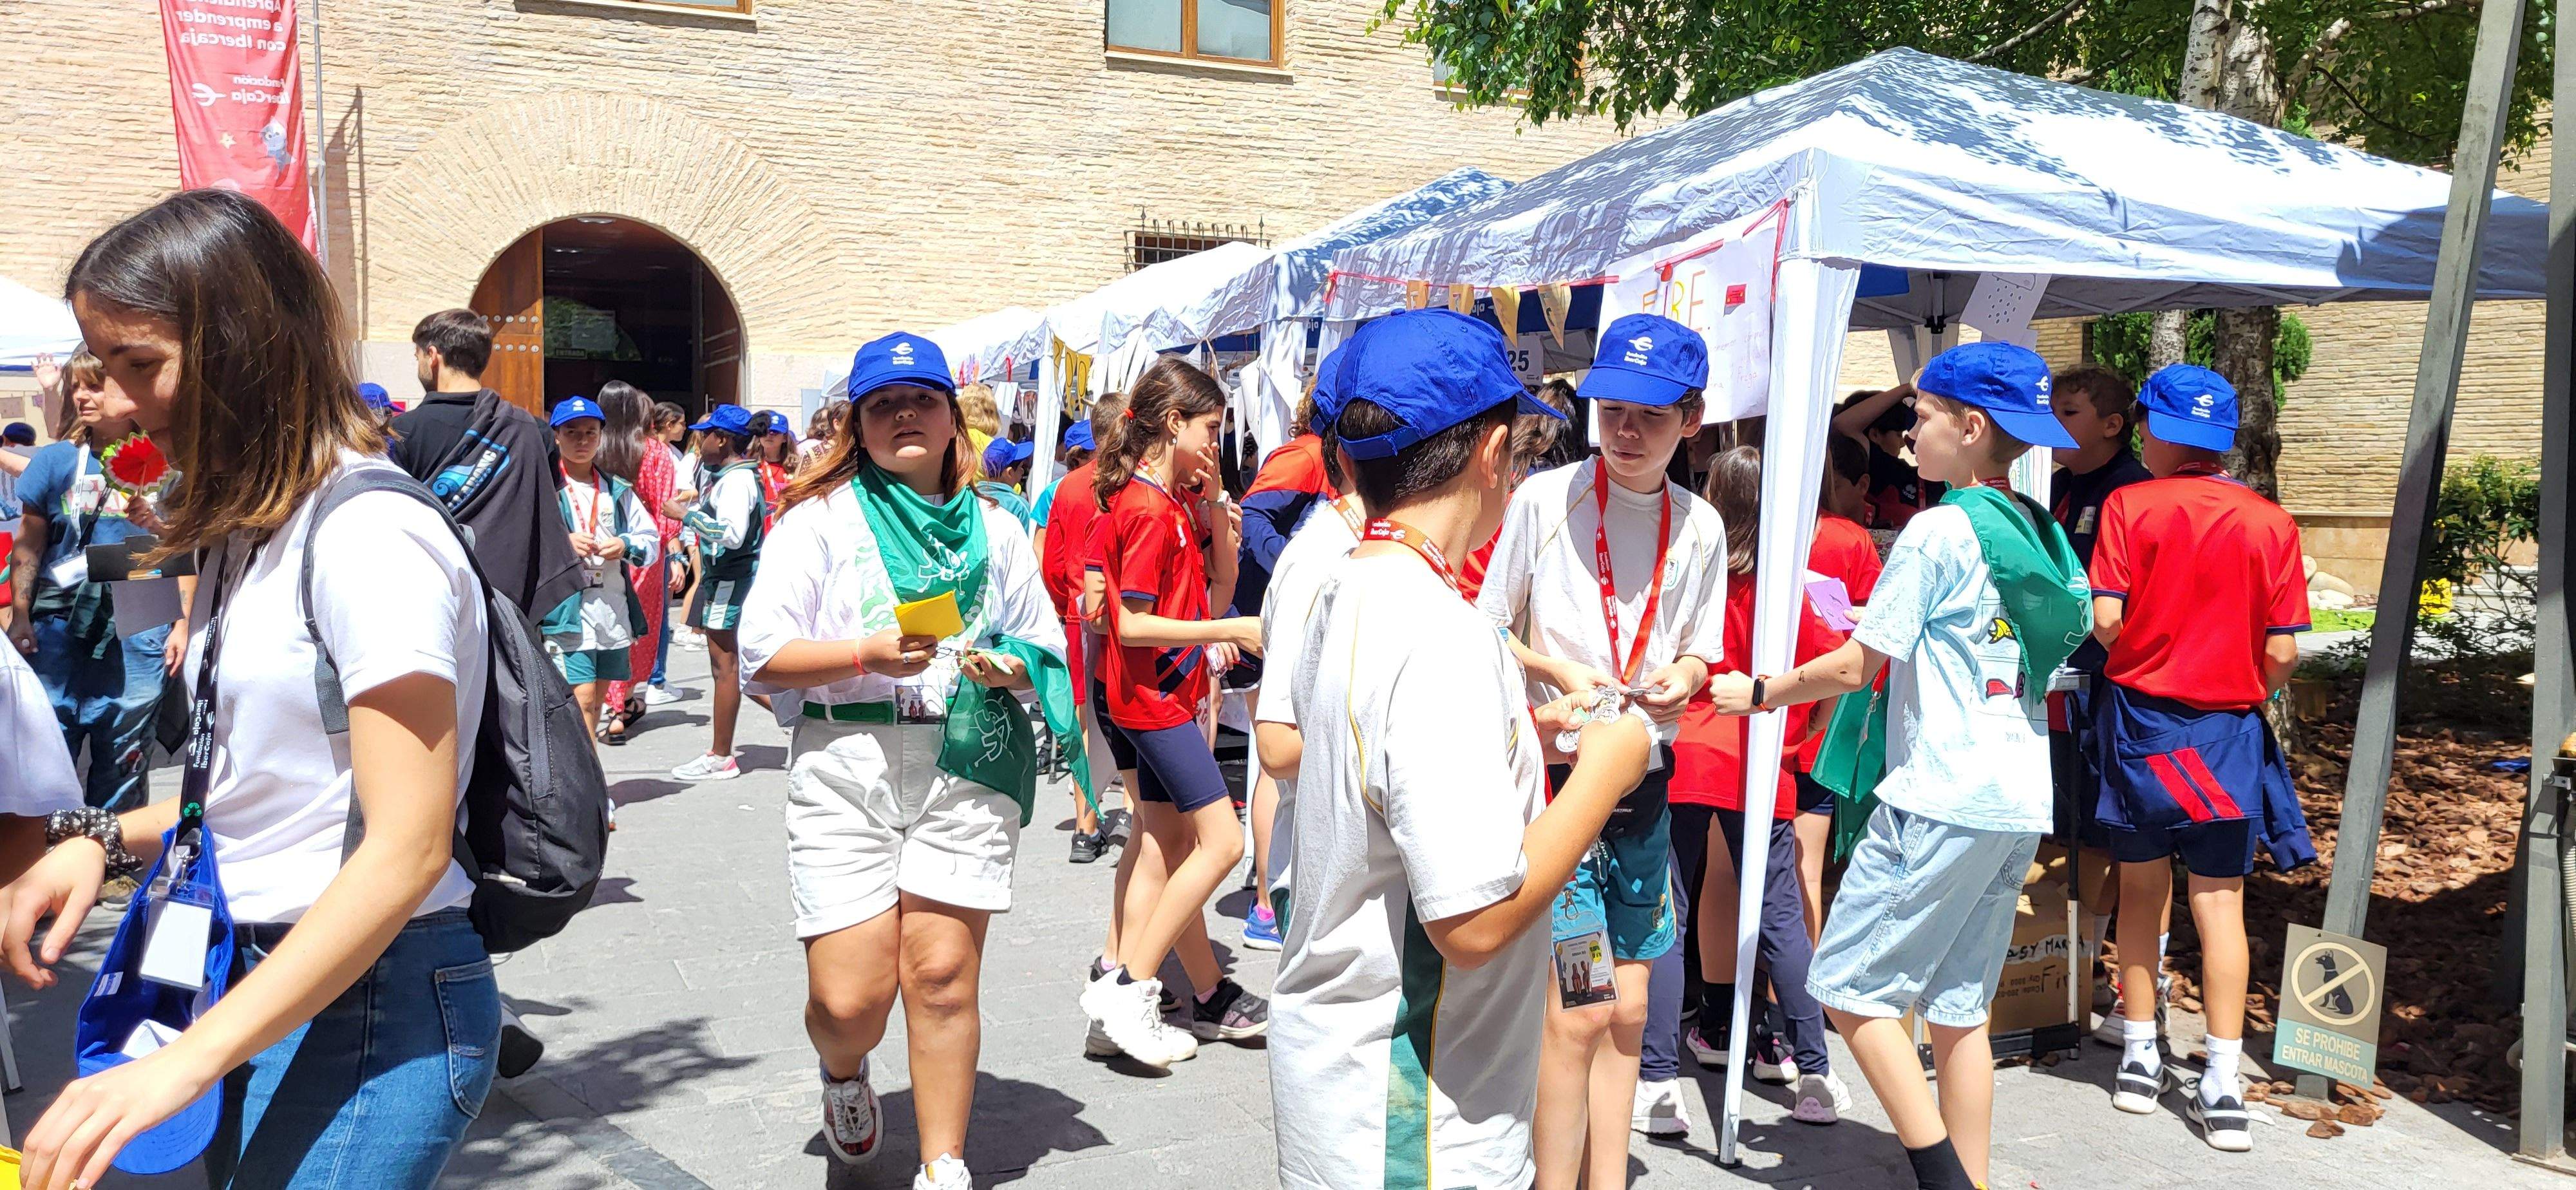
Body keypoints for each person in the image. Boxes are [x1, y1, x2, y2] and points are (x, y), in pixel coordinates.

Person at [2, 187, 497, 1189]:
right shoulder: (246, 534)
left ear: (244, 346)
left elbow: (406, 847)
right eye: (103, 370)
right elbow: (260, 791)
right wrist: (99, 840)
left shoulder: (368, 536)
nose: (115, 403)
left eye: (139, 365)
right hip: (264, 973)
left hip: (379, 1003)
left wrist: (179, 1065)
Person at [1267, 307, 1650, 1190]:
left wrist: (1526, 731)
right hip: (1417, 1121)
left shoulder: (1350, 583)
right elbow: (1472, 922)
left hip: (1359, 1088)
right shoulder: (1437, 631)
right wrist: (1604, 770)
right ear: (1490, 454)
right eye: (1518, 453)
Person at [1708, 341, 2088, 1190]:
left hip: (1941, 791)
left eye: (1920, 415)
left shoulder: (1937, 530)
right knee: (1958, 1011)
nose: (1909, 431)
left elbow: (1855, 667)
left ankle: (1945, 1178)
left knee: (1847, 988)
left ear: (1971, 424)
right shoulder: (2040, 527)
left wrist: (1757, 691)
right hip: (2017, 792)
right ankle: (1974, 1180)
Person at [739, 331, 1072, 1189]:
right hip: (844, 762)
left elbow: (1046, 649)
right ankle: (845, 1074)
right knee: (849, 1005)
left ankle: (943, 1165)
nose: (903, 416)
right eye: (883, 406)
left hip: (965, 761)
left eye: (920, 399)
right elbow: (760, 656)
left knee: (941, 976)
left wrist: (1013, 668)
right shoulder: (816, 523)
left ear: (951, 418)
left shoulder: (1000, 530)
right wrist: (861, 653)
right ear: (860, 426)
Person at [1479, 314, 1725, 1190]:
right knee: (1581, 1007)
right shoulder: (1545, 501)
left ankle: (1606, 1176)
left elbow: (1703, 650)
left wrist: (1686, 677)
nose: (1625, 432)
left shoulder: (1700, 527)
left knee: (1628, 1010)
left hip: (1646, 795)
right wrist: (1556, 670)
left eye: (1650, 416)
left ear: (1692, 421)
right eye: (1612, 409)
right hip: (1561, 790)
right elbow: (1484, 632)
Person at [2090, 364, 2313, 1153]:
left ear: (2150, 426)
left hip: (2142, 726)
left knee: (2142, 895)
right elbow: (2282, 651)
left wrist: (2153, 654)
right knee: (2222, 905)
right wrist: (2239, 682)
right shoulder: (2270, 521)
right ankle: (2222, 1081)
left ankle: (2141, 1059)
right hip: (2227, 734)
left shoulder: (2127, 504)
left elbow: (2108, 621)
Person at [1078, 357, 1268, 1069]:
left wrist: (1215, 509)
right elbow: (1131, 626)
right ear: (1172, 424)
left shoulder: (1160, 504)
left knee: (1162, 844)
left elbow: (1212, 585)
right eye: (1210, 428)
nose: (1214, 443)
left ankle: (1120, 982)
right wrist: (1229, 632)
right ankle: (1131, 985)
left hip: (1155, 698)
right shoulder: (1150, 510)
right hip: (1152, 700)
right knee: (1222, 844)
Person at [1662, 445, 1849, 1129]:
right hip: (1759, 763)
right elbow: (1839, 667)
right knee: (1779, 918)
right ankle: (1813, 1068)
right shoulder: (1783, 591)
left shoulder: (1690, 575)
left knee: (1670, 915)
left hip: (1687, 754)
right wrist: (1802, 735)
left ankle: (1658, 1079)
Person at [8, 350, 184, 814]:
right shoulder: (57, 460)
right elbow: (29, 544)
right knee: (49, 741)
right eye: (75, 387)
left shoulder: (167, 459)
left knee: (124, 749)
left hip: (141, 620)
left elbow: (188, 546)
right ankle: (48, 855)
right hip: (60, 624)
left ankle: (113, 856)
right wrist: (21, 615)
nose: (82, 396)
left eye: (93, 385)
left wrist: (181, 624)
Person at [2045, 364, 2156, 1036]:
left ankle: (2116, 974)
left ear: (2113, 425)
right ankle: (2073, 967)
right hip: (2059, 681)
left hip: (2118, 687)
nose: (2055, 424)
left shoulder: (2134, 493)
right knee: (2070, 827)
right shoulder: (2057, 487)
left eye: (2071, 412)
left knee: (2121, 838)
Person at [390, 309, 586, 627]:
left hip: (431, 611)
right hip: (511, 617)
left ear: (433, 355)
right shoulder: (533, 431)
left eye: (418, 357)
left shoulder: (400, 434)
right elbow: (546, 514)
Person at [544, 397, 659, 744]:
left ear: (600, 438)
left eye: (590, 433)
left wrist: (625, 546)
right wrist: (563, 542)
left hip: (611, 610)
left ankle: (593, 783)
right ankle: (589, 793)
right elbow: (522, 539)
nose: (582, 441)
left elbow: (650, 539)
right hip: (566, 613)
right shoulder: (546, 488)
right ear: (557, 436)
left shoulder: (617, 490)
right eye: (572, 432)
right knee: (580, 701)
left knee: (596, 703)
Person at [1036, 410, 1121, 864]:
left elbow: (1051, 565)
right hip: (1121, 616)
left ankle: (1086, 829)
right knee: (1130, 715)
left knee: (1086, 723)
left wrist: (1065, 601)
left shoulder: (1067, 487)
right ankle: (1128, 809)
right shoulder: (1126, 483)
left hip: (1076, 616)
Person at [667, 404, 768, 781]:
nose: (699, 442)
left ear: (722, 439)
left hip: (731, 580)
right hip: (724, 579)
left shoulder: (737, 481)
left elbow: (732, 533)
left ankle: (721, 756)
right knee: (732, 668)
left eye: (704, 435)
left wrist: (686, 515)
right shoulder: (729, 475)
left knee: (725, 668)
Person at [595, 381, 680, 738]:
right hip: (643, 551)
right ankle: (623, 704)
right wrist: (674, 553)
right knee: (639, 629)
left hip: (599, 546)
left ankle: (600, 701)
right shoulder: (655, 453)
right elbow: (664, 509)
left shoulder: (593, 448)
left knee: (605, 624)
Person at [1833, 385, 1946, 529]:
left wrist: (1925, 452)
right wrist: (1907, 389)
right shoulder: (1875, 466)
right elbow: (1842, 425)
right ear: (1875, 435)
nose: (1903, 443)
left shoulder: (1927, 471)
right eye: (1899, 434)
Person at [976, 437, 1035, 524]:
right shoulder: (1019, 507)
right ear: (1010, 473)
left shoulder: (972, 496)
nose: (1022, 471)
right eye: (1021, 467)